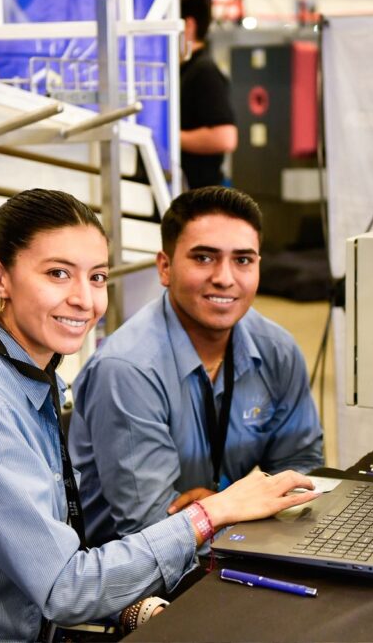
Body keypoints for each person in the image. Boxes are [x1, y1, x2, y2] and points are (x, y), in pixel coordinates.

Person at [0, 189, 318, 641]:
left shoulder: (31, 380)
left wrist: (130, 605)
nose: (84, 299)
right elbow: (64, 588)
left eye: (96, 278)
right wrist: (212, 512)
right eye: (58, 273)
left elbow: (47, 562)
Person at [70, 187, 324, 547]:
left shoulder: (277, 349)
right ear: (165, 267)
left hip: (227, 544)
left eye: (243, 260)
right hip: (129, 567)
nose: (225, 278)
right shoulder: (127, 369)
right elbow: (151, 528)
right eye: (204, 258)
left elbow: (302, 468)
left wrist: (222, 507)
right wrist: (232, 507)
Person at [180, 0, 237, 189]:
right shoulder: (184, 70)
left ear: (188, 25)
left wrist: (169, 137)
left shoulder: (204, 71)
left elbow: (225, 138)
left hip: (200, 193)